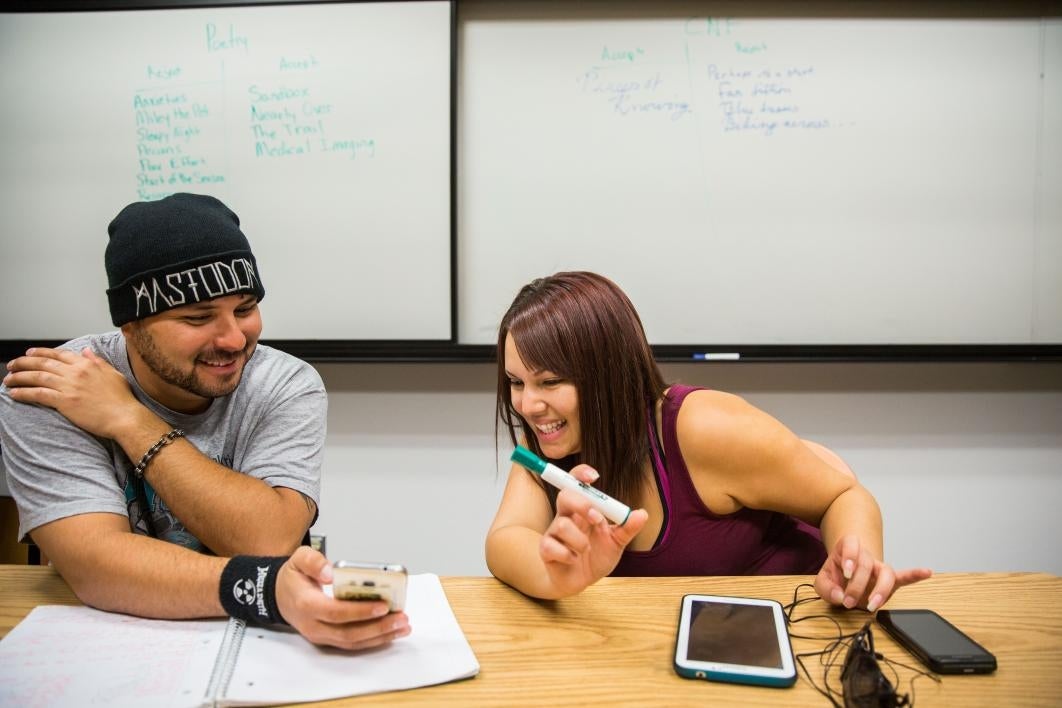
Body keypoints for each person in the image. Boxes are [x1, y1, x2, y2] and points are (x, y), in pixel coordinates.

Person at [1, 193, 409, 650]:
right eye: (197, 318)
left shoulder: (285, 383)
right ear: (130, 325)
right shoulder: (54, 388)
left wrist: (129, 420)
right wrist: (266, 589)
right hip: (106, 640)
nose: (234, 339)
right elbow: (96, 566)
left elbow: (266, 540)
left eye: (245, 308)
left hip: (263, 642)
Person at [485, 271, 932, 609]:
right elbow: (506, 539)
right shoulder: (548, 440)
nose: (526, 404)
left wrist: (855, 566)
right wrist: (555, 575)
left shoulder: (701, 427)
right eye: (516, 382)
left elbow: (845, 495)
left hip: (798, 625)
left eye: (549, 381)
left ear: (608, 376)